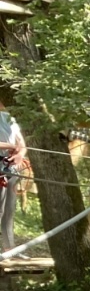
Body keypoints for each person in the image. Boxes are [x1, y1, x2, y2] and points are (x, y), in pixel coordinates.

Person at [0, 108, 28, 253]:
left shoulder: (9, 118)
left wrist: (20, 154)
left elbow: (22, 144)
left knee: (9, 211)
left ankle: (9, 249)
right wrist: (12, 146)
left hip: (11, 168)